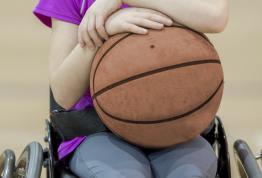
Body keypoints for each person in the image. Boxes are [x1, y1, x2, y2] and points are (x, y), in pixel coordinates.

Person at [33, 0, 229, 177]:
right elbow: (63, 95)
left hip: (177, 127)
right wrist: (103, 30)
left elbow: (216, 17)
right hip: (98, 131)